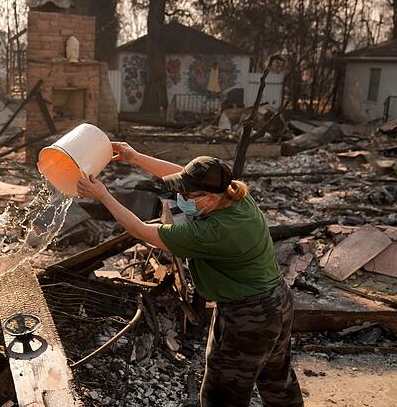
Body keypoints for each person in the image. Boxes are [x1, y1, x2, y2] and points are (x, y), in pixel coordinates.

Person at [76, 142, 304, 407]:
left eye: (188, 195)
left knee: (221, 395)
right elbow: (179, 173)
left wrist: (103, 195)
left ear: (208, 198)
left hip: (248, 316)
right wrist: (136, 157)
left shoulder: (212, 232)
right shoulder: (235, 194)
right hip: (278, 301)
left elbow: (139, 230)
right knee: (277, 380)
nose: (181, 198)